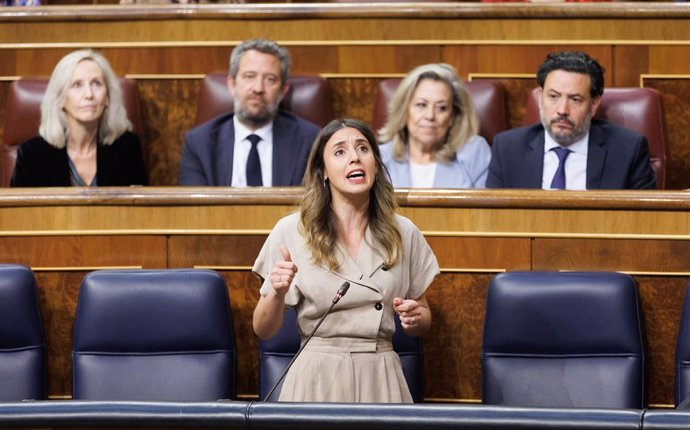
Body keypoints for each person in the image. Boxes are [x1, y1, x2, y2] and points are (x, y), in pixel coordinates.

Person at [252, 118, 439, 403]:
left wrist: (415, 317)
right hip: (316, 374)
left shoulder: (404, 232)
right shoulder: (292, 231)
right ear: (323, 172)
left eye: (363, 149)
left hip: (380, 373)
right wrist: (277, 293)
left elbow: (424, 317)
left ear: (375, 163)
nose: (354, 157)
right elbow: (263, 330)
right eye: (340, 152)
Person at [486, 50, 656, 190]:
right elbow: (495, 221)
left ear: (594, 103)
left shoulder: (628, 151)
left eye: (575, 99)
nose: (562, 110)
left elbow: (643, 222)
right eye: (553, 96)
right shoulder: (507, 149)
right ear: (540, 97)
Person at [179, 38, 320, 186]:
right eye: (249, 76)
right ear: (232, 84)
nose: (258, 88)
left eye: (270, 79)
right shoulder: (199, 143)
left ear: (283, 90)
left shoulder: (309, 141)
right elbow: (194, 209)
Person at [11, 49, 147, 187]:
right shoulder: (33, 154)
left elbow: (140, 207)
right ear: (61, 99)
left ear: (108, 97)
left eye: (96, 83)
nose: (89, 94)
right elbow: (19, 209)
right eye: (77, 85)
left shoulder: (127, 147)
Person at [377, 63, 491, 188]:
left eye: (441, 108)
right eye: (421, 105)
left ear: (452, 117)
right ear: (404, 110)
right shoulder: (381, 158)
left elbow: (488, 207)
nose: (430, 116)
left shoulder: (473, 153)